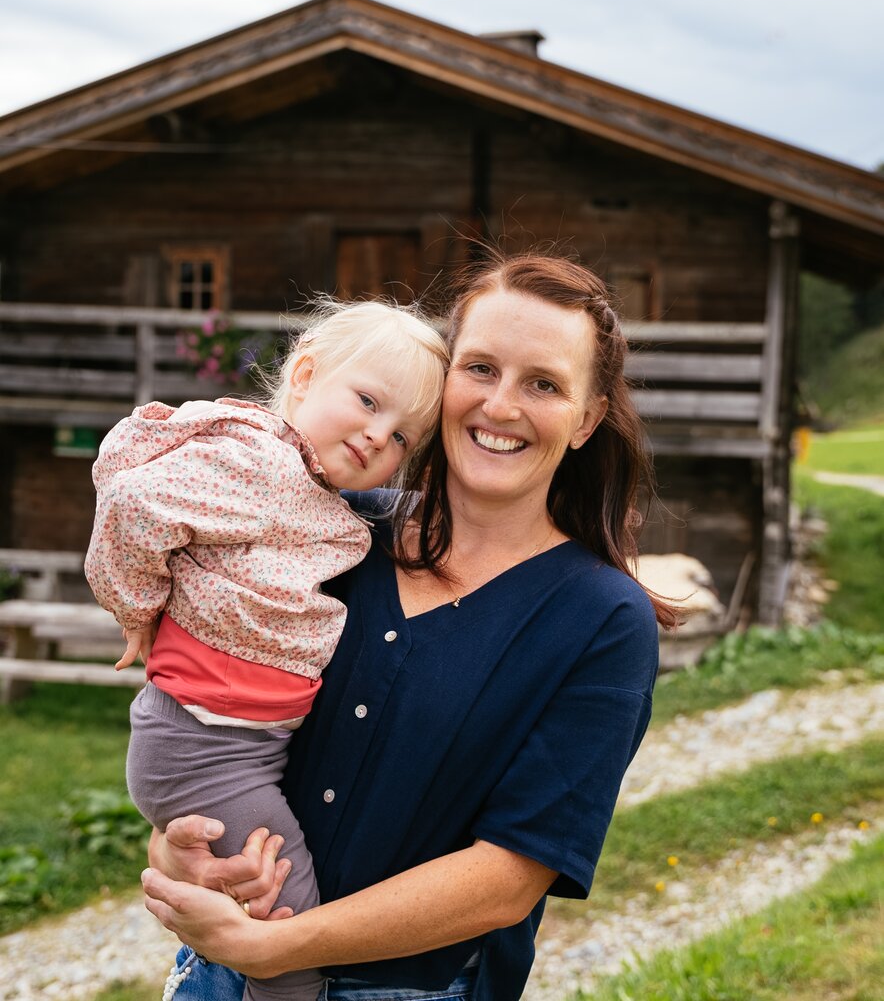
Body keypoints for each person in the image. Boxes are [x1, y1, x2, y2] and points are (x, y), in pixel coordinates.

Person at [141, 251, 679, 1001]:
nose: (501, 406)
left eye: (544, 384)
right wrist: (181, 854)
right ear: (443, 378)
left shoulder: (602, 621)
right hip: (216, 976)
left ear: (586, 419)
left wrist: (277, 947)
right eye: (481, 368)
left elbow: (507, 878)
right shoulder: (331, 533)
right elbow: (205, 732)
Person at [84, 300, 448, 1001]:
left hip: (228, 743)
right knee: (288, 907)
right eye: (367, 401)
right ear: (305, 374)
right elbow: (134, 503)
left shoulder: (309, 485)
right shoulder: (258, 464)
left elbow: (403, 512)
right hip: (203, 745)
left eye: (403, 435)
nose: (378, 436)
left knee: (271, 891)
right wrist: (136, 609)